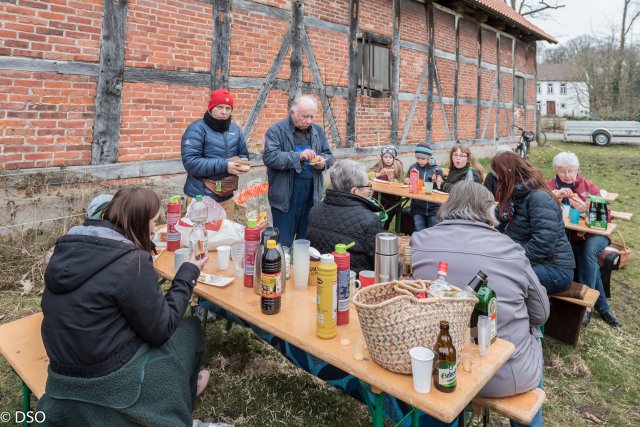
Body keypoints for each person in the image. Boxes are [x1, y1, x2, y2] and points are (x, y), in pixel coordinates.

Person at [38, 186, 210, 426]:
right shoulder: (130, 262)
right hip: (105, 372)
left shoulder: (68, 247)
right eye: (153, 221)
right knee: (189, 330)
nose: (154, 227)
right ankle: (182, 396)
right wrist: (189, 271)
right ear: (140, 222)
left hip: (62, 363)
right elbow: (160, 331)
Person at [411, 181, 548, 427]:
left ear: (448, 205)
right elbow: (541, 312)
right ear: (489, 210)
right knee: (534, 340)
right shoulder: (511, 249)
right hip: (501, 375)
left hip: (439, 363)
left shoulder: (421, 240)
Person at [546, 151, 622, 327]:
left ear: (577, 170)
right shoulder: (549, 186)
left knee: (588, 251)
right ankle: (602, 308)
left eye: (571, 171)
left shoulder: (588, 186)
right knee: (584, 258)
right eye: (562, 171)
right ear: (556, 170)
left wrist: (586, 209)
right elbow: (537, 207)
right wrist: (553, 198)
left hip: (595, 235)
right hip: (568, 236)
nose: (567, 175)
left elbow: (606, 216)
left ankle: (586, 307)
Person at [492, 151, 576, 295]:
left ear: (509, 172)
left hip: (555, 270)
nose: (498, 179)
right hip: (534, 262)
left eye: (499, 174)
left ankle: (524, 317)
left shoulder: (539, 197)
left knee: (499, 277)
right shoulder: (519, 194)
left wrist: (511, 257)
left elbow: (542, 244)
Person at [263, 95, 334, 247]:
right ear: (292, 112)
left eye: (312, 116)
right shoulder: (276, 130)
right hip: (285, 197)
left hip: (311, 195)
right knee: (283, 244)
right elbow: (270, 157)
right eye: (304, 116)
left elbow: (329, 155)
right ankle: (283, 267)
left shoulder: (318, 131)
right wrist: (298, 156)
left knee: (305, 242)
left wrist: (323, 162)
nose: (309, 121)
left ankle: (301, 268)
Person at [181, 88, 250, 219]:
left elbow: (243, 154)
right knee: (200, 236)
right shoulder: (196, 129)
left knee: (224, 236)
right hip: (200, 197)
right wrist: (225, 165)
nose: (224, 112)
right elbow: (191, 163)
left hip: (227, 195)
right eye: (220, 107)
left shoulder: (236, 130)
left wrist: (242, 162)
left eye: (228, 108)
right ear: (211, 107)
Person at [307, 160, 385, 273]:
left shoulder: (314, 210)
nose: (369, 190)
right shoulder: (371, 220)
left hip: (320, 278)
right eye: (367, 186)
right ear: (354, 190)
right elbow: (380, 265)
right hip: (356, 283)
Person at [403, 143, 444, 231]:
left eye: (423, 158)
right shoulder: (413, 167)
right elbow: (407, 178)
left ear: (429, 158)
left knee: (433, 230)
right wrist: (407, 180)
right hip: (417, 206)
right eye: (418, 158)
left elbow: (441, 187)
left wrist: (437, 180)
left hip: (433, 207)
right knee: (419, 229)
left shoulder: (436, 169)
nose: (420, 161)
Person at [370, 145, 404, 229]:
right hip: (378, 198)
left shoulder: (398, 167)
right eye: (385, 157)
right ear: (382, 157)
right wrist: (378, 174)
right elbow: (366, 176)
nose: (388, 159)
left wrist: (392, 180)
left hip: (392, 200)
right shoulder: (378, 166)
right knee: (374, 219)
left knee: (385, 221)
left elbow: (401, 184)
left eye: (390, 157)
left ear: (394, 158)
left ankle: (384, 230)